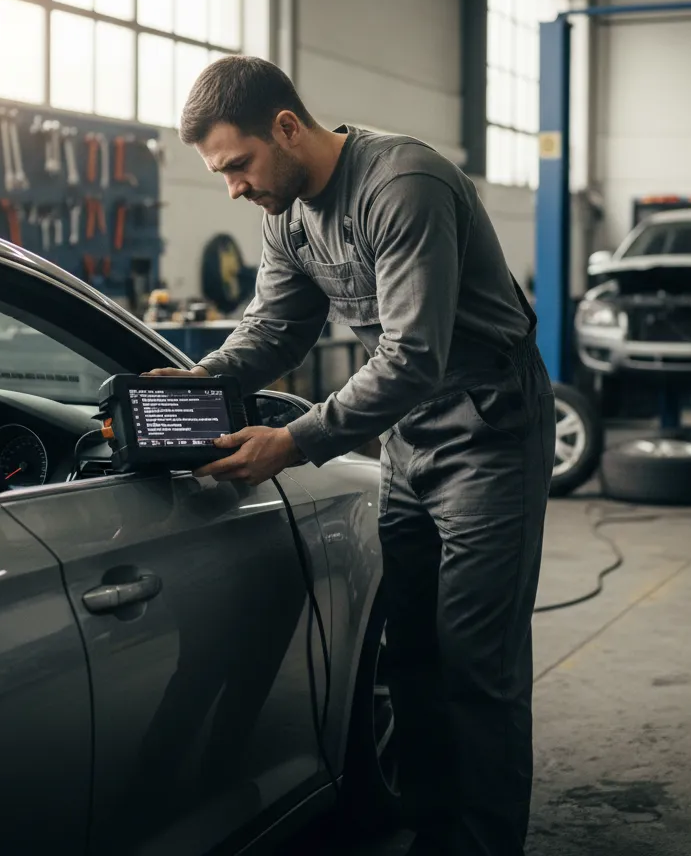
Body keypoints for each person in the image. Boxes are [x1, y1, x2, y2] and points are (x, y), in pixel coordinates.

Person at [146, 56, 555, 856]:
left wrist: (293, 441)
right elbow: (275, 330)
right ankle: (433, 830)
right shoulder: (288, 214)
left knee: (478, 664)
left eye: (238, 165)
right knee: (412, 655)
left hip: (489, 432)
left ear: (287, 128)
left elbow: (412, 356)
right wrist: (195, 381)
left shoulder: (403, 185)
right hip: (408, 436)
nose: (233, 187)